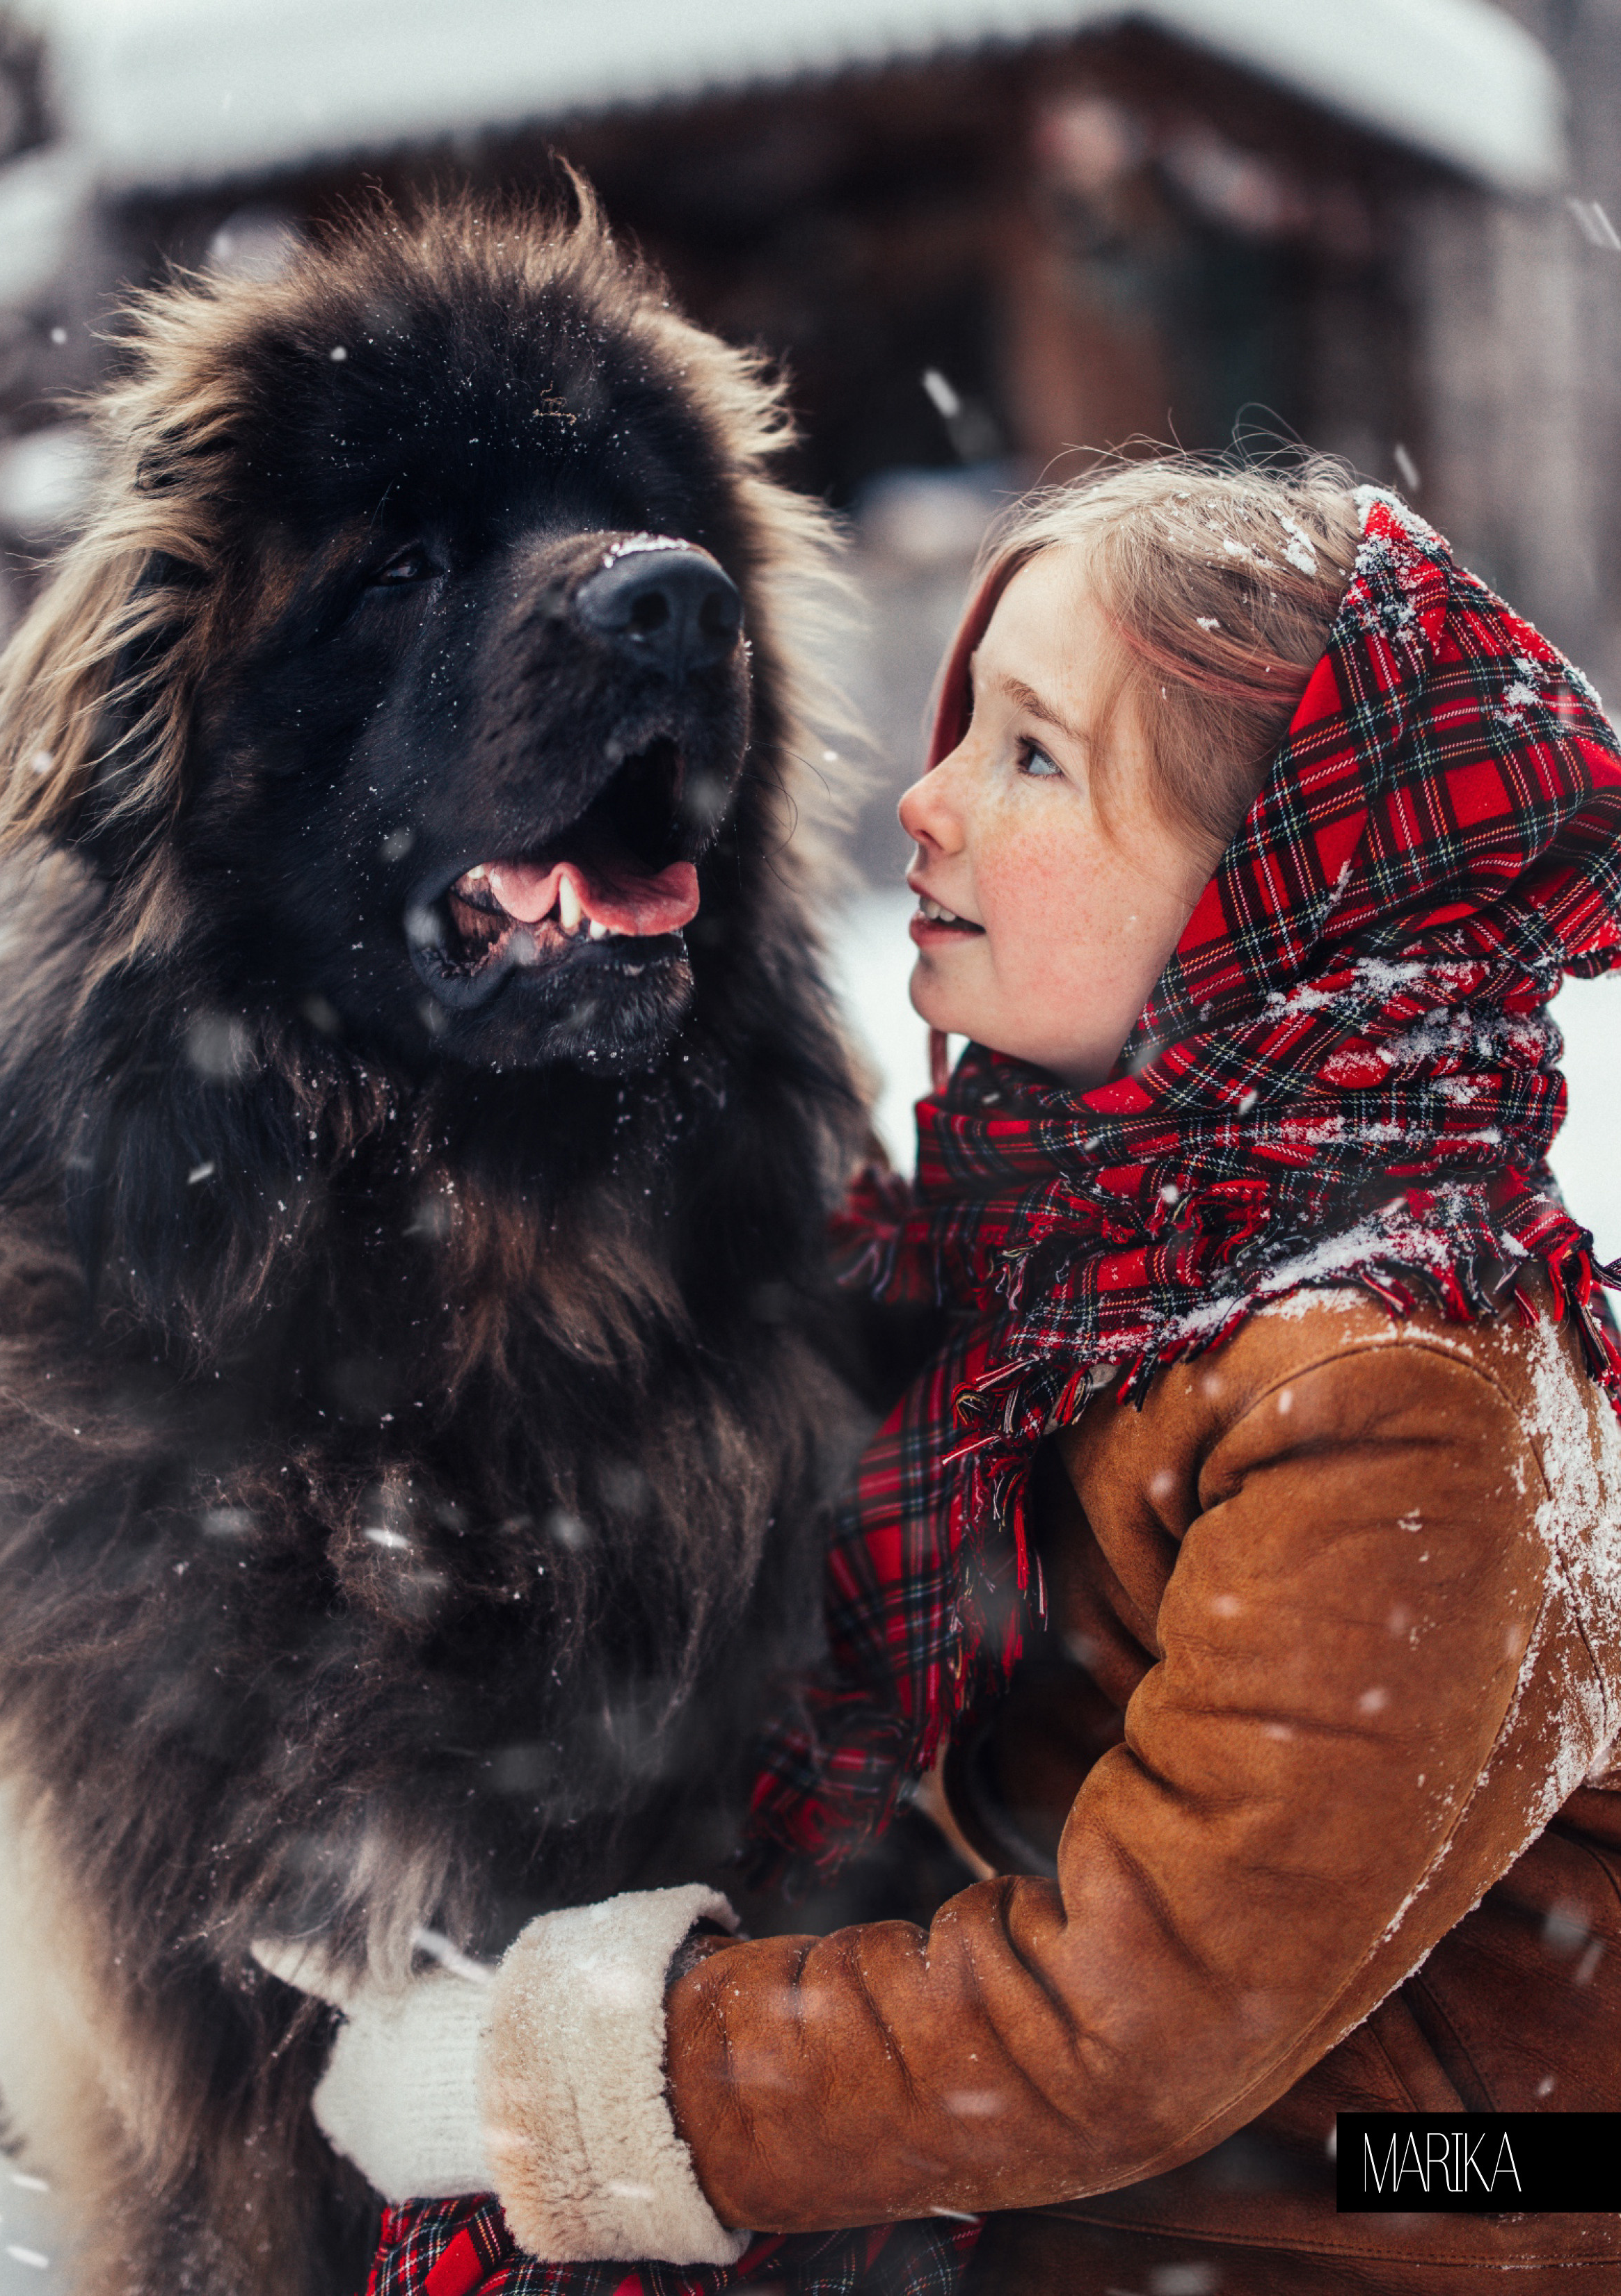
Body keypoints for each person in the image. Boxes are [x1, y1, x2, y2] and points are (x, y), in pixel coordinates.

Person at [259, 460, 1621, 2296]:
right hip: (1170, 2125)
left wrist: (566, 2082)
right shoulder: (1079, 1221)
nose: (924, 799)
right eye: (962, 726)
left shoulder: (1398, 1398)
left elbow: (1122, 2026)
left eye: (1033, 755)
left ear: (1279, 887)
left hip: (1420, 2193)